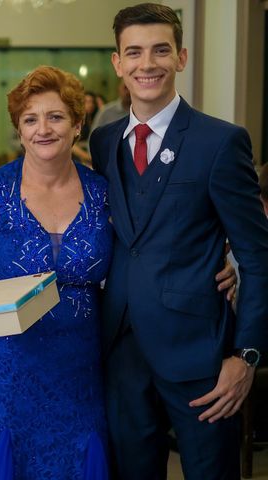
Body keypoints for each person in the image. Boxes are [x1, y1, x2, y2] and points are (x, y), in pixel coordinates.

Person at [90, 4, 268, 479]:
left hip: (200, 355)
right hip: (122, 351)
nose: (147, 64)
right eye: (135, 52)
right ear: (117, 63)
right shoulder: (104, 142)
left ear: (182, 57)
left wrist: (246, 355)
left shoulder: (220, 142)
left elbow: (257, 252)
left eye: (160, 50)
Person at [0, 65, 113, 479]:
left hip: (78, 368)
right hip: (2, 369)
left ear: (77, 124)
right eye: (30, 119)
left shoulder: (105, 194)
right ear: (19, 130)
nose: (43, 129)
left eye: (55, 117)